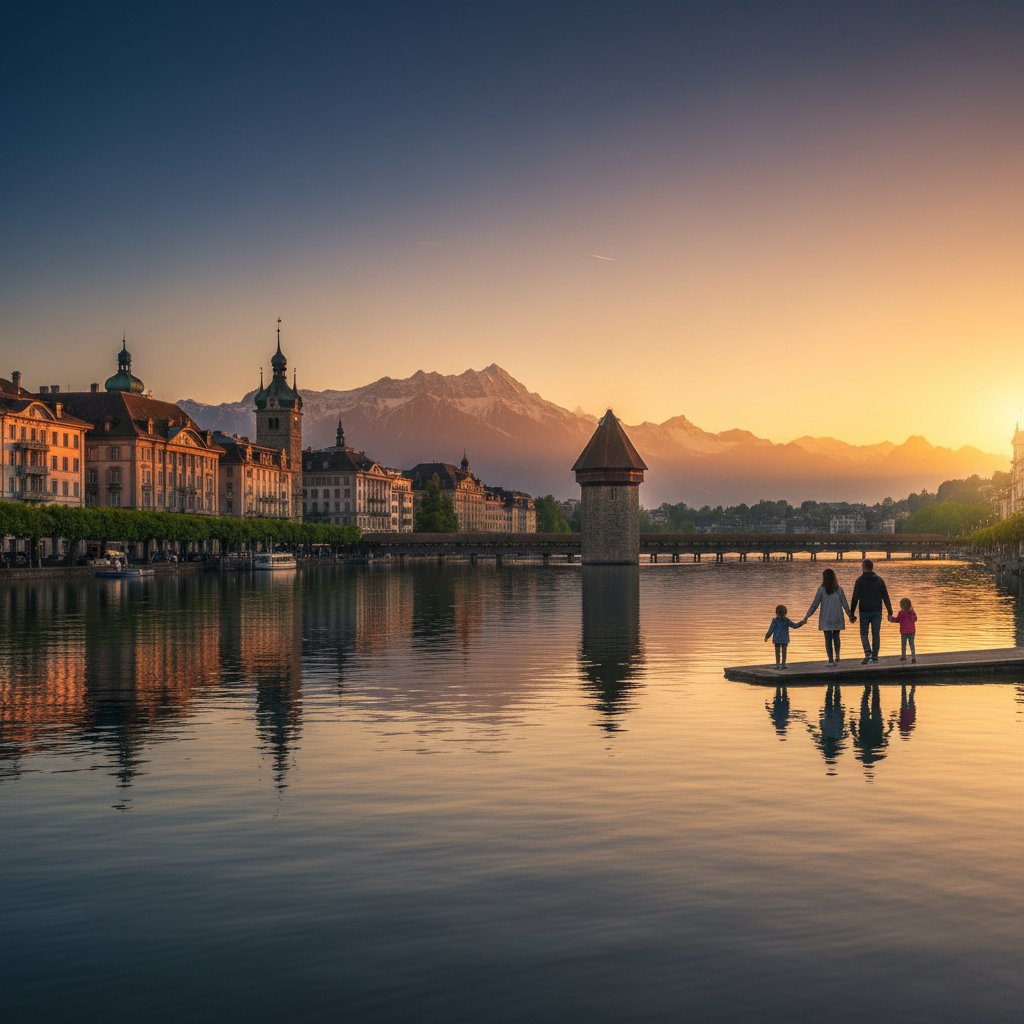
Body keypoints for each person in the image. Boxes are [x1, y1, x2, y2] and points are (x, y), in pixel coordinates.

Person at [799, 567, 853, 665]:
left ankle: (830, 659)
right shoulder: (839, 589)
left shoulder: (821, 589)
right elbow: (845, 604)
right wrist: (850, 615)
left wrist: (807, 616)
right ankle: (837, 656)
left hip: (826, 618)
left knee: (828, 639)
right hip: (837, 617)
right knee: (836, 637)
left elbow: (815, 604)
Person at [849, 559, 893, 664]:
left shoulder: (859, 581)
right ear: (872, 567)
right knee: (876, 633)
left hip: (864, 611)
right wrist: (890, 612)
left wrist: (852, 613)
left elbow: (855, 598)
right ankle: (875, 656)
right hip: (877, 611)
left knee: (864, 633)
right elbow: (886, 597)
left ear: (864, 567)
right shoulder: (880, 580)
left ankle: (867, 653)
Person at [764, 604, 803, 669]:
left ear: (777, 613)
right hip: (784, 639)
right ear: (785, 613)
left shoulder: (775, 620)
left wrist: (767, 636)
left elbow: (771, 629)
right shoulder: (786, 620)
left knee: (777, 653)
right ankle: (783, 664)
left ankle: (778, 664)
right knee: (784, 652)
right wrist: (801, 623)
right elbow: (794, 626)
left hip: (777, 639)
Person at [889, 598, 918, 663]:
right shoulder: (912, 612)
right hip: (912, 631)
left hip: (904, 631)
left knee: (903, 644)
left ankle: (903, 656)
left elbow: (897, 619)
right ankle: (913, 657)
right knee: (912, 644)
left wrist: (891, 618)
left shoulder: (901, 612)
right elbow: (915, 619)